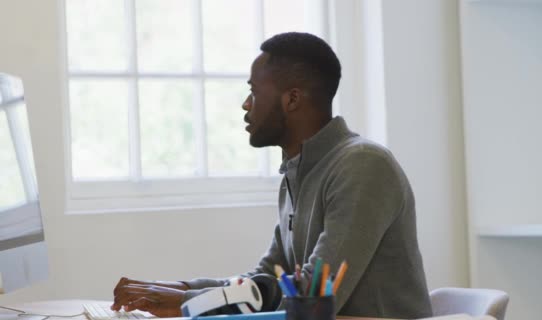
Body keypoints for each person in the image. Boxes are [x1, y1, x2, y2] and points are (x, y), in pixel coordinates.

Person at [111, 32, 432, 319]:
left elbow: (311, 294)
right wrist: (179, 288)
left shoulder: (362, 164)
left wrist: (189, 302)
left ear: (292, 98)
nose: (245, 104)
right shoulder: (298, 172)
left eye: (254, 91)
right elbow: (268, 279)